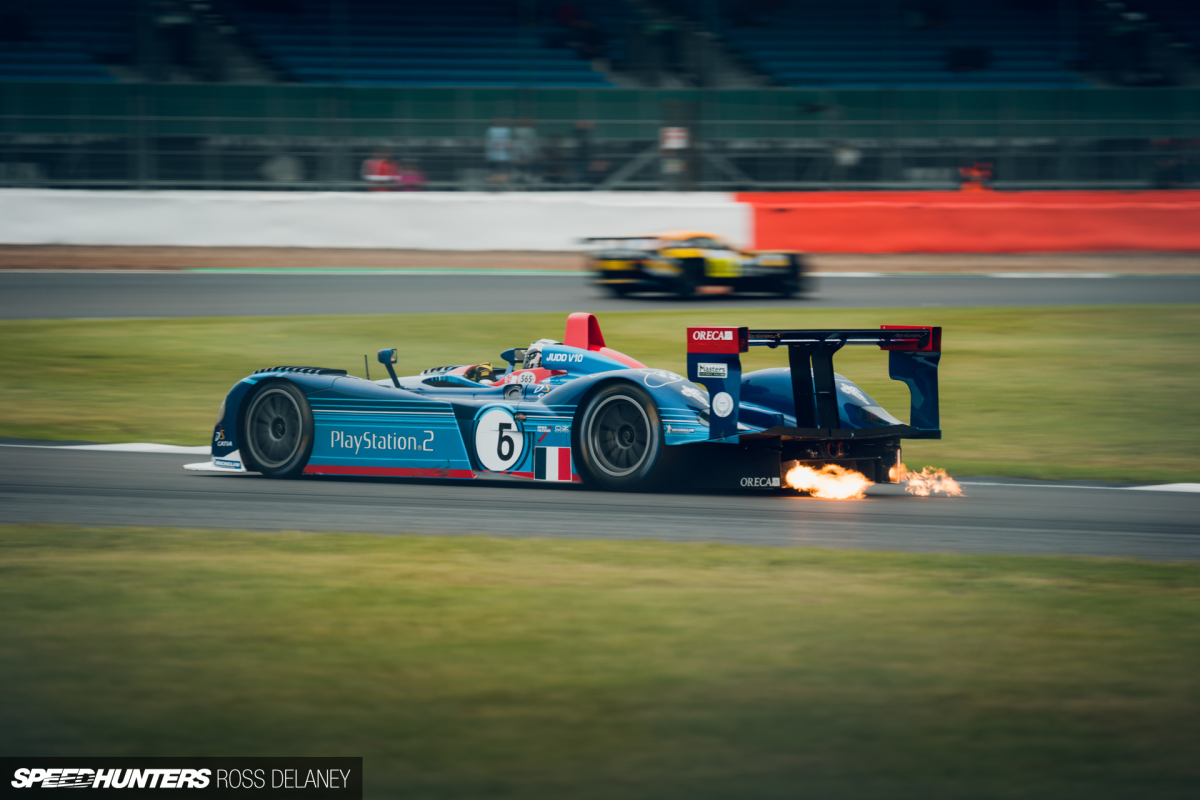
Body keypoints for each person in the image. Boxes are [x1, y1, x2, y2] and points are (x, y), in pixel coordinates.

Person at [512, 119, 540, 186]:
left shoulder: (531, 132)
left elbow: (534, 145)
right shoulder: (517, 135)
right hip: (521, 159)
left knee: (525, 175)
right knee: (520, 175)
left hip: (526, 159)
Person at [485, 119, 512, 185]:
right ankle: (500, 183)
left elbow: (491, 143)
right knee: (503, 172)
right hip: (503, 156)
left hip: (493, 156)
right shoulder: (506, 130)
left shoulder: (491, 130)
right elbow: (508, 144)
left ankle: (495, 183)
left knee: (495, 172)